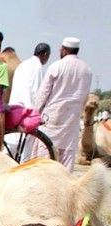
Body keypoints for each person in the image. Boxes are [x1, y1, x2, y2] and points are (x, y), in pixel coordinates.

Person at [34, 37, 92, 172]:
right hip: (72, 120)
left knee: (45, 154)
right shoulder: (87, 70)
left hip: (52, 117)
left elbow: (43, 93)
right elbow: (84, 97)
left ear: (64, 50)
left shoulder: (56, 66)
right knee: (67, 157)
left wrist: (35, 112)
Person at [5, 42, 51, 162]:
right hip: (26, 113)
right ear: (45, 54)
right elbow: (36, 93)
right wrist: (36, 114)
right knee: (26, 149)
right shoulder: (37, 67)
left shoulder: (23, 65)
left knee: (11, 144)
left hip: (14, 109)